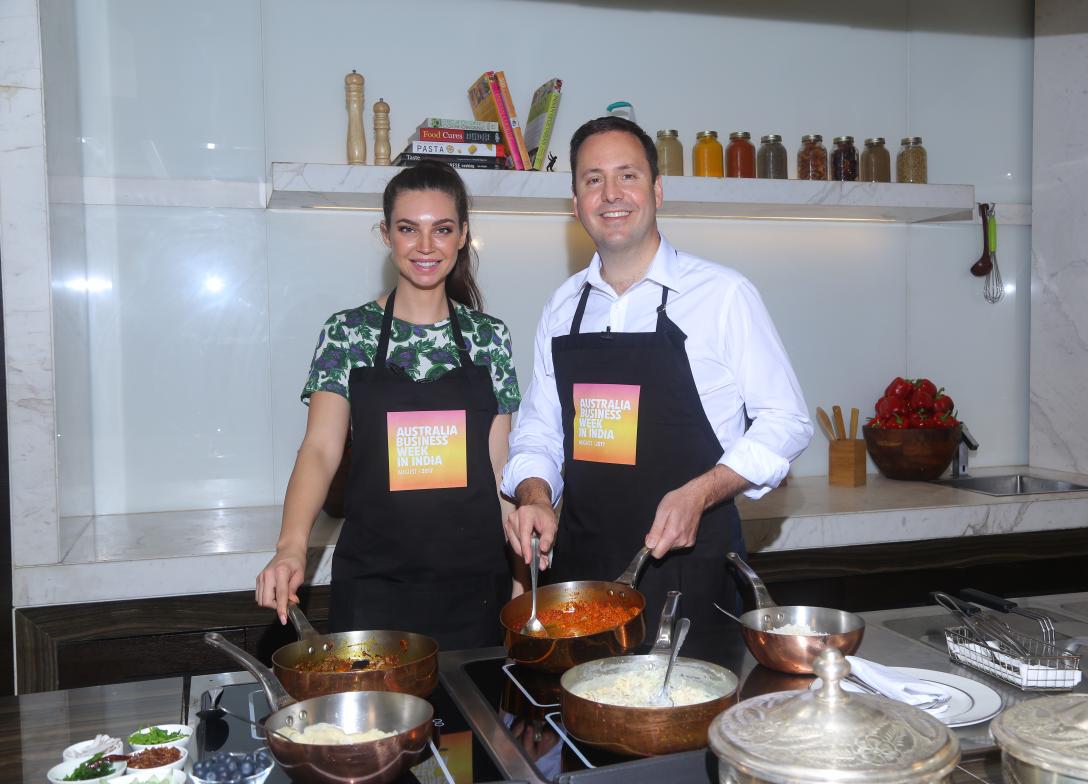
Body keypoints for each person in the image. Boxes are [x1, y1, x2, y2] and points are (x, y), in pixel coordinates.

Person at [501, 117, 812, 637]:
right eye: (592, 180)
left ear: (657, 191)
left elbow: (787, 422)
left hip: (694, 572)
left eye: (628, 175)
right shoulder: (562, 308)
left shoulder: (722, 295)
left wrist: (702, 491)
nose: (611, 194)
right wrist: (534, 497)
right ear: (575, 203)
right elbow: (538, 429)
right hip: (584, 573)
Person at [256, 161, 521, 648]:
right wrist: (291, 546)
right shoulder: (348, 332)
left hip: (475, 589)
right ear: (386, 234)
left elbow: (497, 467)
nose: (425, 246)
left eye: (441, 229)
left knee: (475, 723)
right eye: (407, 229)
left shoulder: (490, 338)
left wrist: (523, 576)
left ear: (462, 235)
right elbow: (319, 449)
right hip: (375, 589)